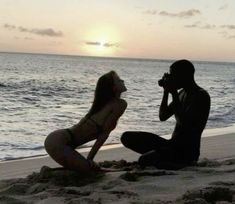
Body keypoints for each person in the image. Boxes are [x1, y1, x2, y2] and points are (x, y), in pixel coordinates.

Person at [121, 59, 210, 170]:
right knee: (127, 137)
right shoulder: (182, 93)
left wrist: (173, 93)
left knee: (144, 160)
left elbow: (184, 123)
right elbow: (163, 116)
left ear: (185, 75)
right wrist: (166, 92)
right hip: (171, 145)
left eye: (174, 75)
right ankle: (162, 160)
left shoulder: (200, 95)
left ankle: (176, 163)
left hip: (186, 152)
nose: (172, 78)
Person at [44, 71, 127, 172]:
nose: (122, 80)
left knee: (86, 167)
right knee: (90, 169)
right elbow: (103, 135)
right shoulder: (119, 104)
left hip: (58, 139)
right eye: (118, 80)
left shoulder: (103, 104)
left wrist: (88, 160)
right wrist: (90, 159)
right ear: (113, 87)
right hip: (59, 142)